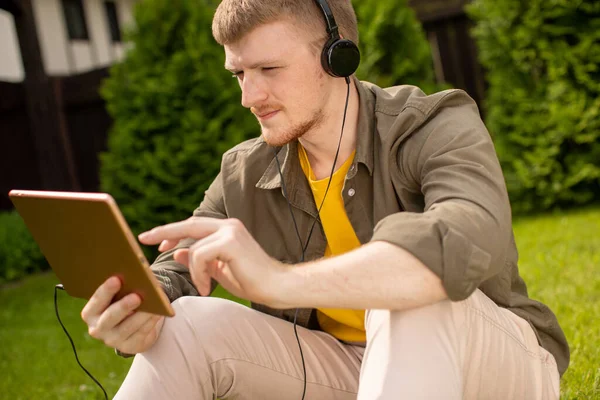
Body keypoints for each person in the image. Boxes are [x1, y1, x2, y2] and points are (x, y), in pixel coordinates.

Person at [80, 0, 569, 398]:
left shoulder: (433, 124)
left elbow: (461, 240)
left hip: (495, 365)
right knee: (185, 324)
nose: (250, 96)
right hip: (348, 373)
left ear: (339, 57)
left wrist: (278, 281)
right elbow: (178, 264)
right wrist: (145, 303)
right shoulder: (244, 171)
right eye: (239, 74)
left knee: (410, 294)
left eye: (269, 68)